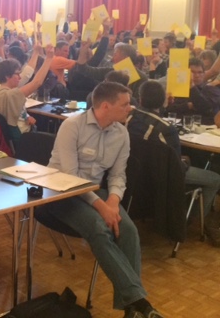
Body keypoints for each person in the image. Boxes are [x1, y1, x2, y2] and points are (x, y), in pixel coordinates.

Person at [41, 82, 164, 318]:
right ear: (105, 106)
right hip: (61, 192)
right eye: (125, 104)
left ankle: (131, 309)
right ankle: (140, 304)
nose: (130, 108)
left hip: (94, 191)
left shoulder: (121, 133)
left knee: (128, 230)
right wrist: (102, 207)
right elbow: (71, 178)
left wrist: (113, 203)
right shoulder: (72, 126)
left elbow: (118, 175)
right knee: (99, 228)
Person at [126, 80, 220, 245]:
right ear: (163, 99)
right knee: (214, 178)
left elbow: (151, 119)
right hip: (166, 177)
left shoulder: (129, 118)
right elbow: (176, 166)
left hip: (138, 173)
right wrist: (186, 162)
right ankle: (190, 220)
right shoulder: (166, 130)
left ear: (140, 99)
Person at [0, 44, 54, 147]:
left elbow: (28, 73)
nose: (20, 77)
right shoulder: (10, 94)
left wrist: (36, 52)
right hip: (23, 139)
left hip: (21, 135)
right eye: (17, 74)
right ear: (7, 76)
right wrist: (49, 58)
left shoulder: (0, 91)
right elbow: (37, 83)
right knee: (54, 140)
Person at [167, 58, 220, 124]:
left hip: (202, 127)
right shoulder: (178, 90)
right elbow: (167, 110)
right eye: (192, 72)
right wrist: (187, 106)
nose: (197, 75)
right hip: (178, 125)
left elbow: (208, 109)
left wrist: (192, 87)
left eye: (200, 72)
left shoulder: (211, 89)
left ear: (204, 74)